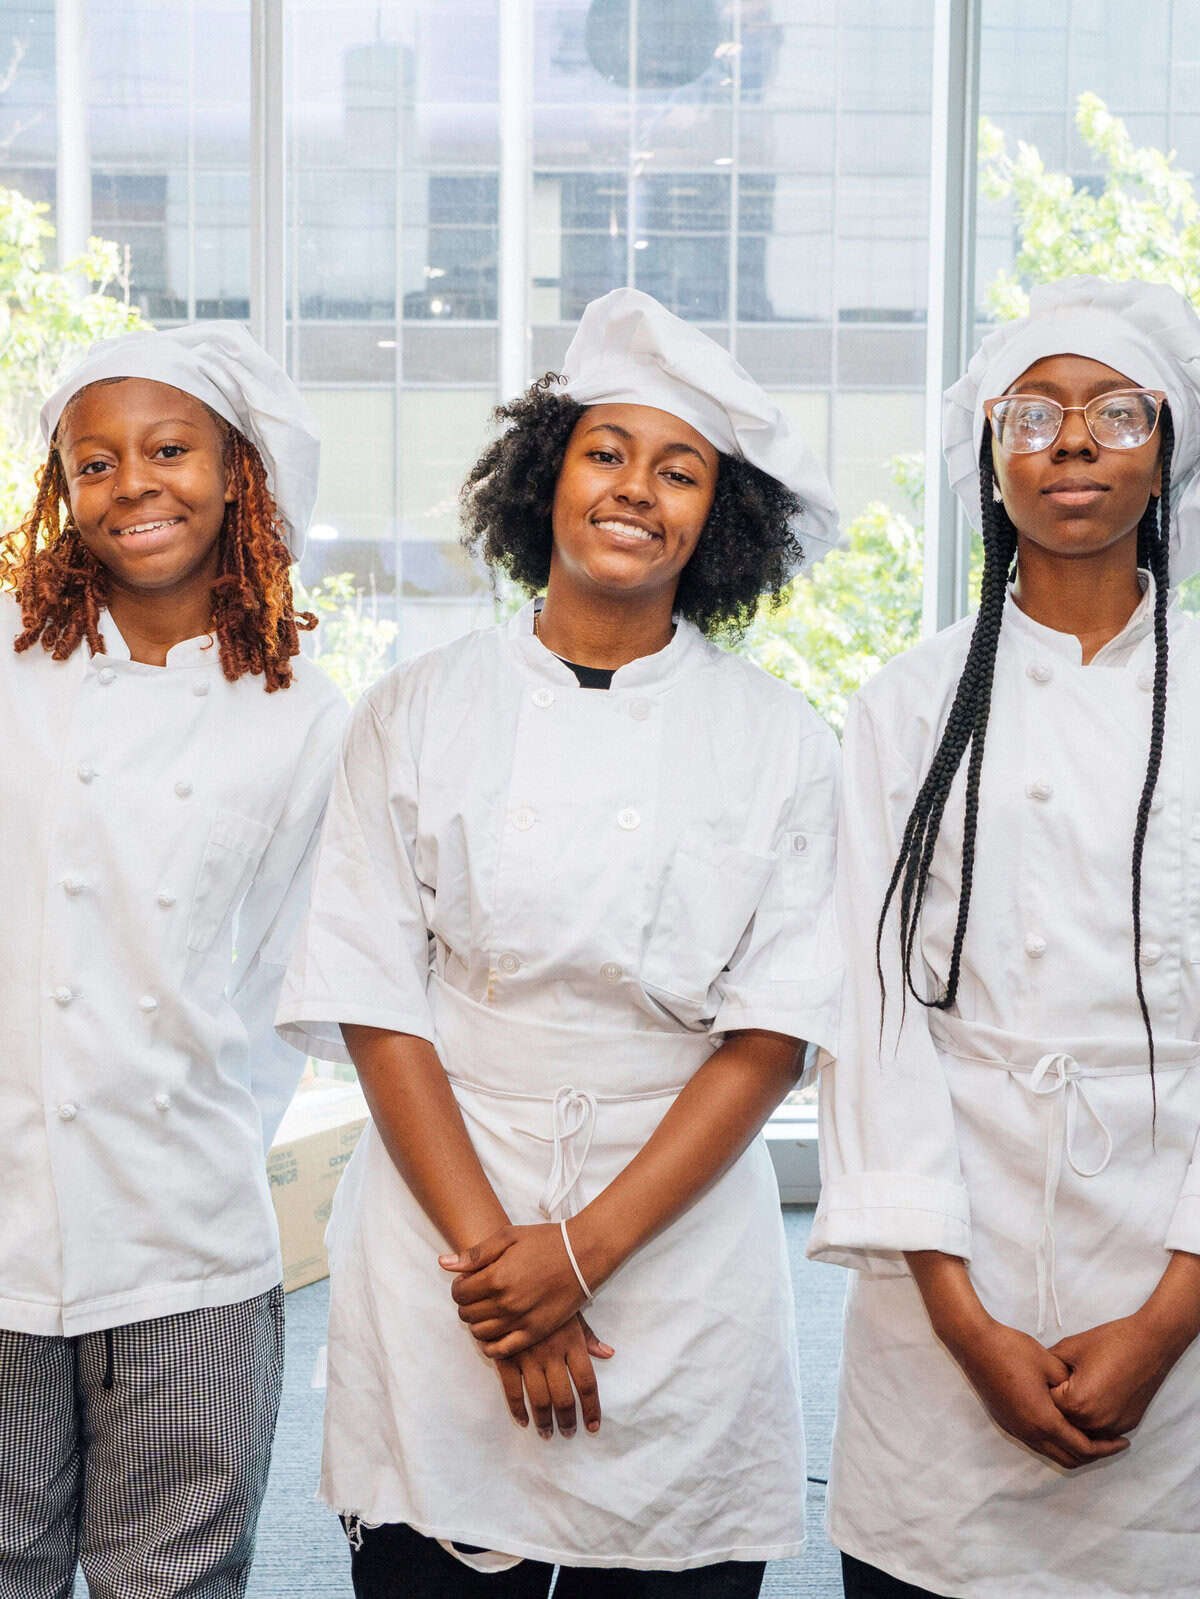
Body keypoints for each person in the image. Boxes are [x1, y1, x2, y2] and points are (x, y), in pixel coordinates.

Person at [277, 287, 843, 1597]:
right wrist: (507, 1270)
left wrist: (579, 1254)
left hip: (674, 1239)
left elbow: (770, 1033)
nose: (635, 488)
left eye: (680, 467)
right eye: (605, 451)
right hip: (444, 1231)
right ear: (545, 476)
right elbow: (377, 999)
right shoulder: (414, 710)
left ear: (722, 518)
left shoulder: (783, 741)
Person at [809, 275, 1200, 1599]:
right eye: (1034, 412)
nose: (1073, 440)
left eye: (1115, 412)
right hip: (947, 1275)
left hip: (1175, 1268)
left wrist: (1165, 1321)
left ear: (1168, 455)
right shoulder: (906, 702)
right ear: (991, 455)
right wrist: (965, 1321)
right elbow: (868, 1016)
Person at [0, 323, 346, 1599]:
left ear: (239, 471)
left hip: (189, 1217)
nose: (132, 483)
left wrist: (203, 1129)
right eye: (94, 463)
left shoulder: (306, 714)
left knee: (178, 1576)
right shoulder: (6, 659)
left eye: (168, 450)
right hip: (2, 1207)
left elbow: (283, 977)